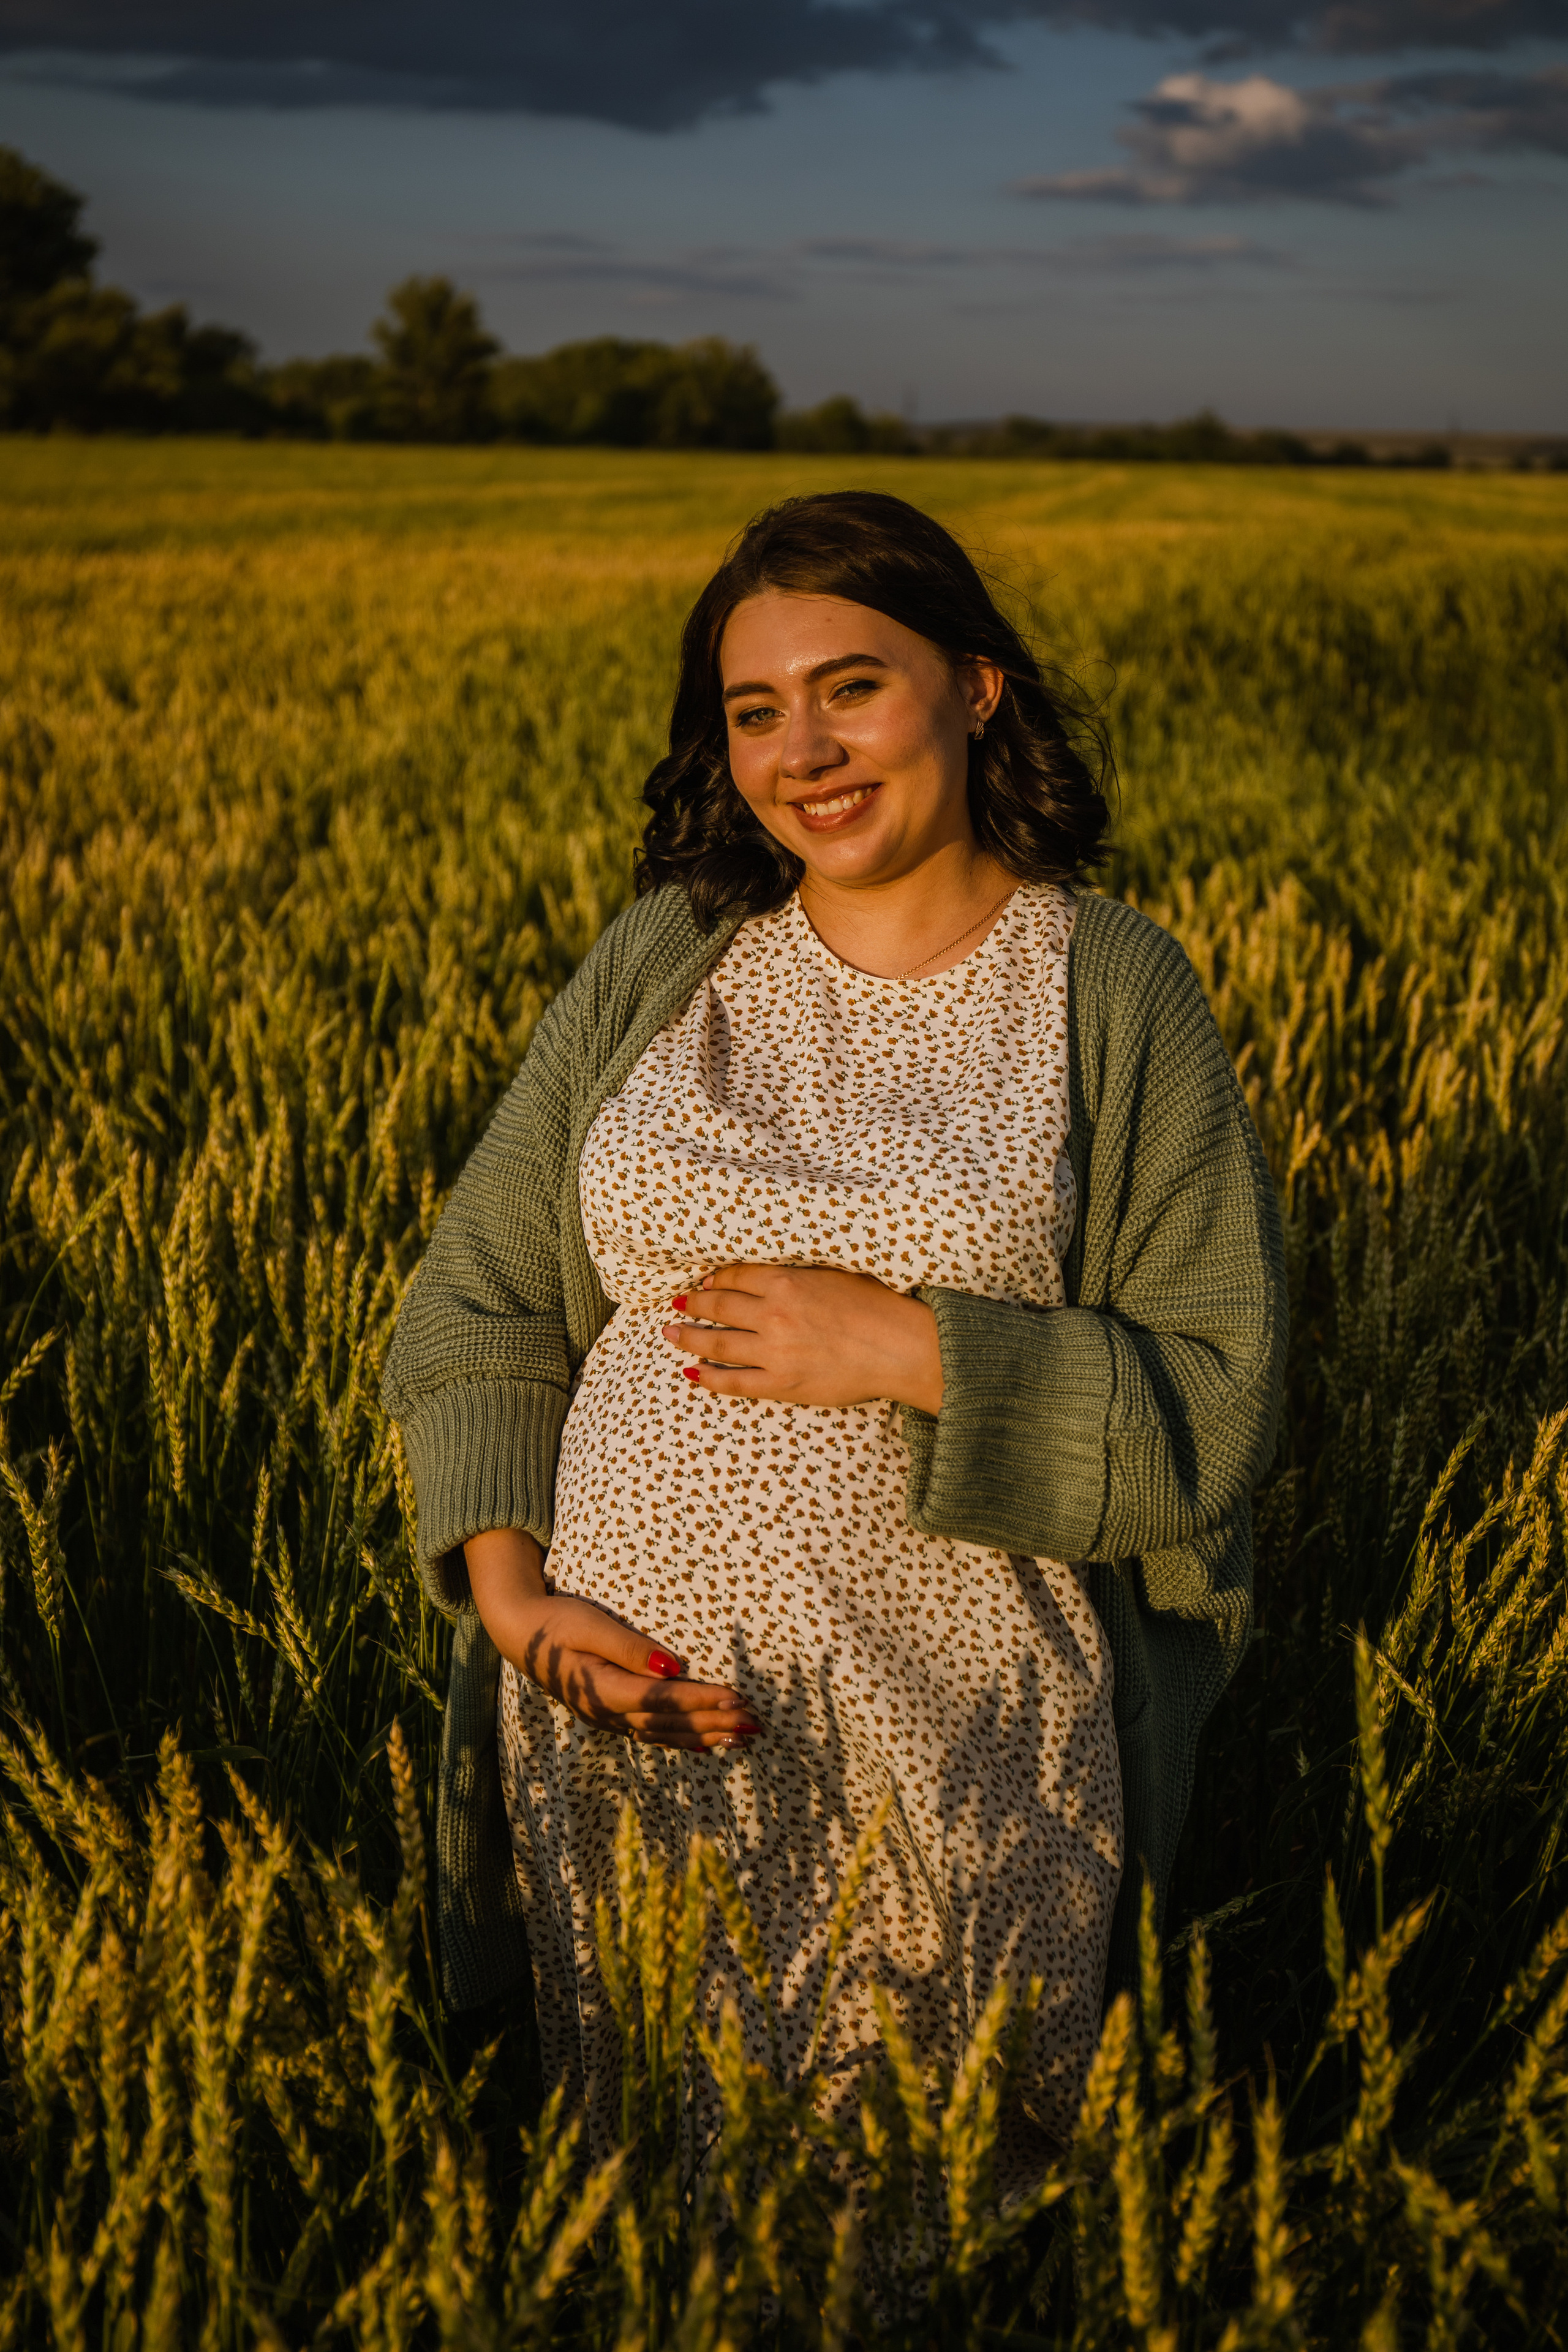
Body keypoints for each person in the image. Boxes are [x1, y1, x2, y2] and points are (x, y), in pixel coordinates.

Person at [382, 490, 1286, 2167]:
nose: (803, 748)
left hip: (955, 1749)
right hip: (625, 1717)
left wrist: (911, 1351)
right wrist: (520, 1610)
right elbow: (481, 1294)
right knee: (648, 2197)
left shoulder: (1111, 985)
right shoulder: (671, 955)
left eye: (851, 686)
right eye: (754, 708)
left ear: (977, 684)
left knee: (931, 2207)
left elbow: (1216, 1400)